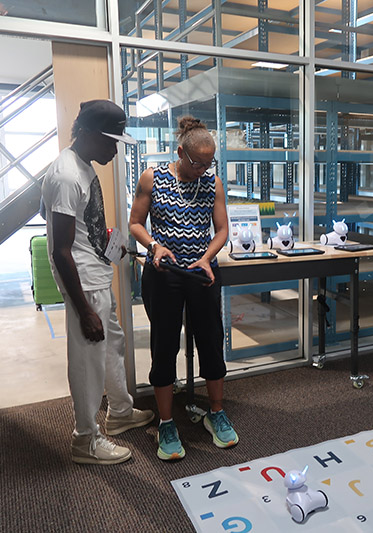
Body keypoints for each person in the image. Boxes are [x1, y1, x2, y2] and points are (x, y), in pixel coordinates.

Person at [42, 99, 154, 465]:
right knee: (88, 360)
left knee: (111, 346)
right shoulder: (65, 175)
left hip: (95, 274)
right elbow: (60, 249)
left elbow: (86, 229)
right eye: (110, 140)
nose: (114, 148)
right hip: (84, 284)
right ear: (87, 133)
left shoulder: (83, 168)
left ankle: (120, 411)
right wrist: (83, 308)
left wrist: (126, 251)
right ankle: (85, 439)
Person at [129, 115, 237, 461]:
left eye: (209, 163)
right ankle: (165, 422)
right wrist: (154, 246)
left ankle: (216, 413)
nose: (203, 170)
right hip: (164, 273)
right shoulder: (153, 177)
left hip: (203, 272)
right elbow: (135, 223)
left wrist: (207, 257)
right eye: (197, 163)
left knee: (210, 340)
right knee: (164, 345)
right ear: (180, 152)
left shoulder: (213, 183)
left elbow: (221, 230)